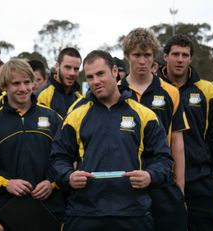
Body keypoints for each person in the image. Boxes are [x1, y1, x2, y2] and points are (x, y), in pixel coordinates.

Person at [50, 50, 173, 231]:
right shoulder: (75, 116)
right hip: (85, 213)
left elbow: (163, 159)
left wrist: (150, 176)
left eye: (101, 74)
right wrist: (68, 176)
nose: (96, 81)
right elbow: (57, 159)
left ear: (114, 71)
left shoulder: (145, 115)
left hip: (133, 213)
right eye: (90, 77)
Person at [0, 59, 65, 223]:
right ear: (5, 86)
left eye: (27, 82)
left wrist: (51, 183)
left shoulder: (53, 118)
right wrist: (7, 183)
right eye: (16, 83)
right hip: (8, 212)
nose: (23, 88)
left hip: (51, 210)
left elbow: (66, 158)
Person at [119, 28, 188, 231]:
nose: (142, 61)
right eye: (136, 55)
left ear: (154, 58)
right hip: (125, 182)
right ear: (127, 56)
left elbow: (177, 141)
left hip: (161, 181)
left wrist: (180, 186)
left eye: (147, 55)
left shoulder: (170, 92)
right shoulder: (115, 91)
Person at [158, 34, 213, 231]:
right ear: (165, 56)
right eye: (175, 54)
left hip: (201, 180)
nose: (180, 59)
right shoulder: (154, 89)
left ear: (191, 58)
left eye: (185, 55)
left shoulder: (206, 89)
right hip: (162, 182)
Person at [36, 47, 82, 117]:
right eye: (68, 67)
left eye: (76, 69)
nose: (72, 73)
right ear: (57, 66)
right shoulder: (42, 96)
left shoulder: (79, 98)